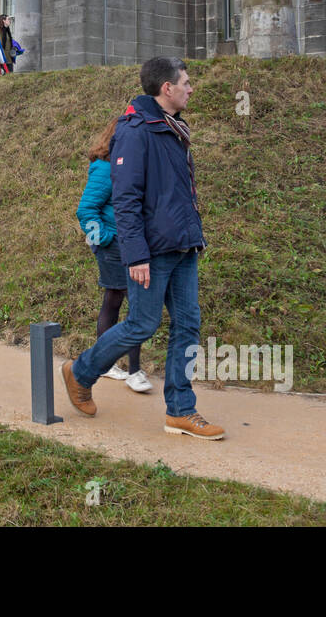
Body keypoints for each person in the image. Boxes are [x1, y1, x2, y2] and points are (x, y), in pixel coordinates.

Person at [62, 57, 225, 440]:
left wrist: (192, 235)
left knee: (188, 325)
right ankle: (80, 371)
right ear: (166, 88)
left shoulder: (171, 127)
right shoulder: (136, 131)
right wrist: (135, 254)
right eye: (185, 82)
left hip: (183, 246)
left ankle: (181, 411)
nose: (190, 88)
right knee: (142, 324)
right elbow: (126, 197)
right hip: (152, 251)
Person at [77, 119, 151, 393]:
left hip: (131, 244)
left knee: (116, 300)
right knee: (133, 304)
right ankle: (133, 371)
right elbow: (85, 210)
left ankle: (108, 365)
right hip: (114, 246)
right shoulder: (105, 168)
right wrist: (104, 240)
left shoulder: (125, 167)